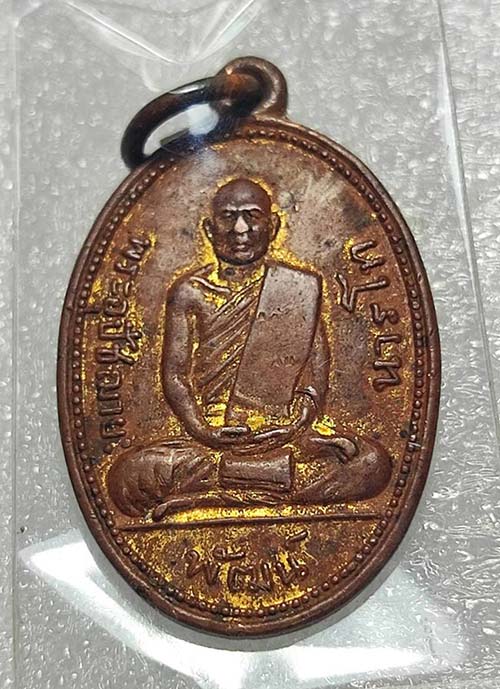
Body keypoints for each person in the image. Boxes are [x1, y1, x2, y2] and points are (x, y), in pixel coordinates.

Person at [108, 178, 392, 519]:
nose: (240, 229)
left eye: (252, 216)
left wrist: (298, 421)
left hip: (284, 434)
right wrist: (204, 430)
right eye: (228, 217)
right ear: (209, 230)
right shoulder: (189, 292)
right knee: (127, 477)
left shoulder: (299, 288)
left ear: (272, 227)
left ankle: (224, 487)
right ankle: (267, 481)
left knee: (373, 463)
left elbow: (314, 371)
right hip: (211, 439)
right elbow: (175, 377)